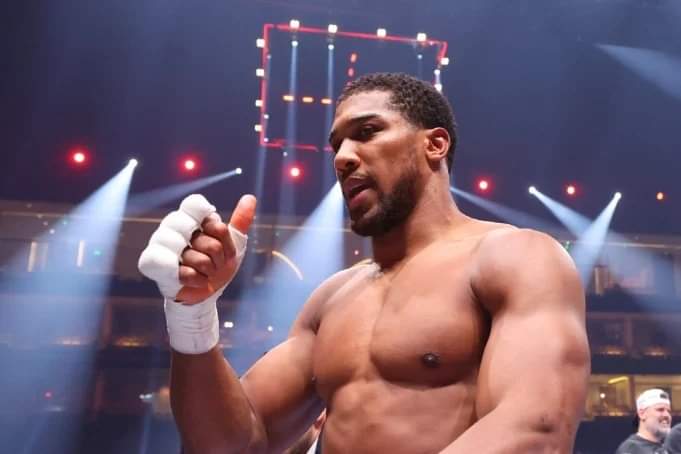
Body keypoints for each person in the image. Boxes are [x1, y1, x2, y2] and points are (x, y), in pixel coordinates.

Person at [138, 72, 590, 453]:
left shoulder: (515, 256)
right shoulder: (333, 299)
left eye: (367, 132)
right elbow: (231, 446)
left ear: (434, 144)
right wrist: (192, 314)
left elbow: (536, 431)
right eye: (336, 145)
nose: (342, 157)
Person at [615, 388, 672, 454]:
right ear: (642, 414)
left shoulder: (670, 447)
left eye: (669, 411)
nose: (666, 415)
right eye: (660, 410)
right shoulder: (630, 450)